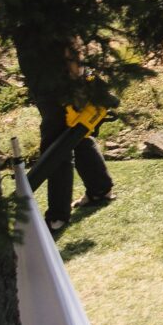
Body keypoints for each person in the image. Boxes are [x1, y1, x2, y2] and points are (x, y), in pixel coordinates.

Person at [38, 94, 116, 230]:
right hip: (61, 83)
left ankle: (57, 217)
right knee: (76, 127)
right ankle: (100, 189)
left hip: (53, 84)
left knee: (57, 141)